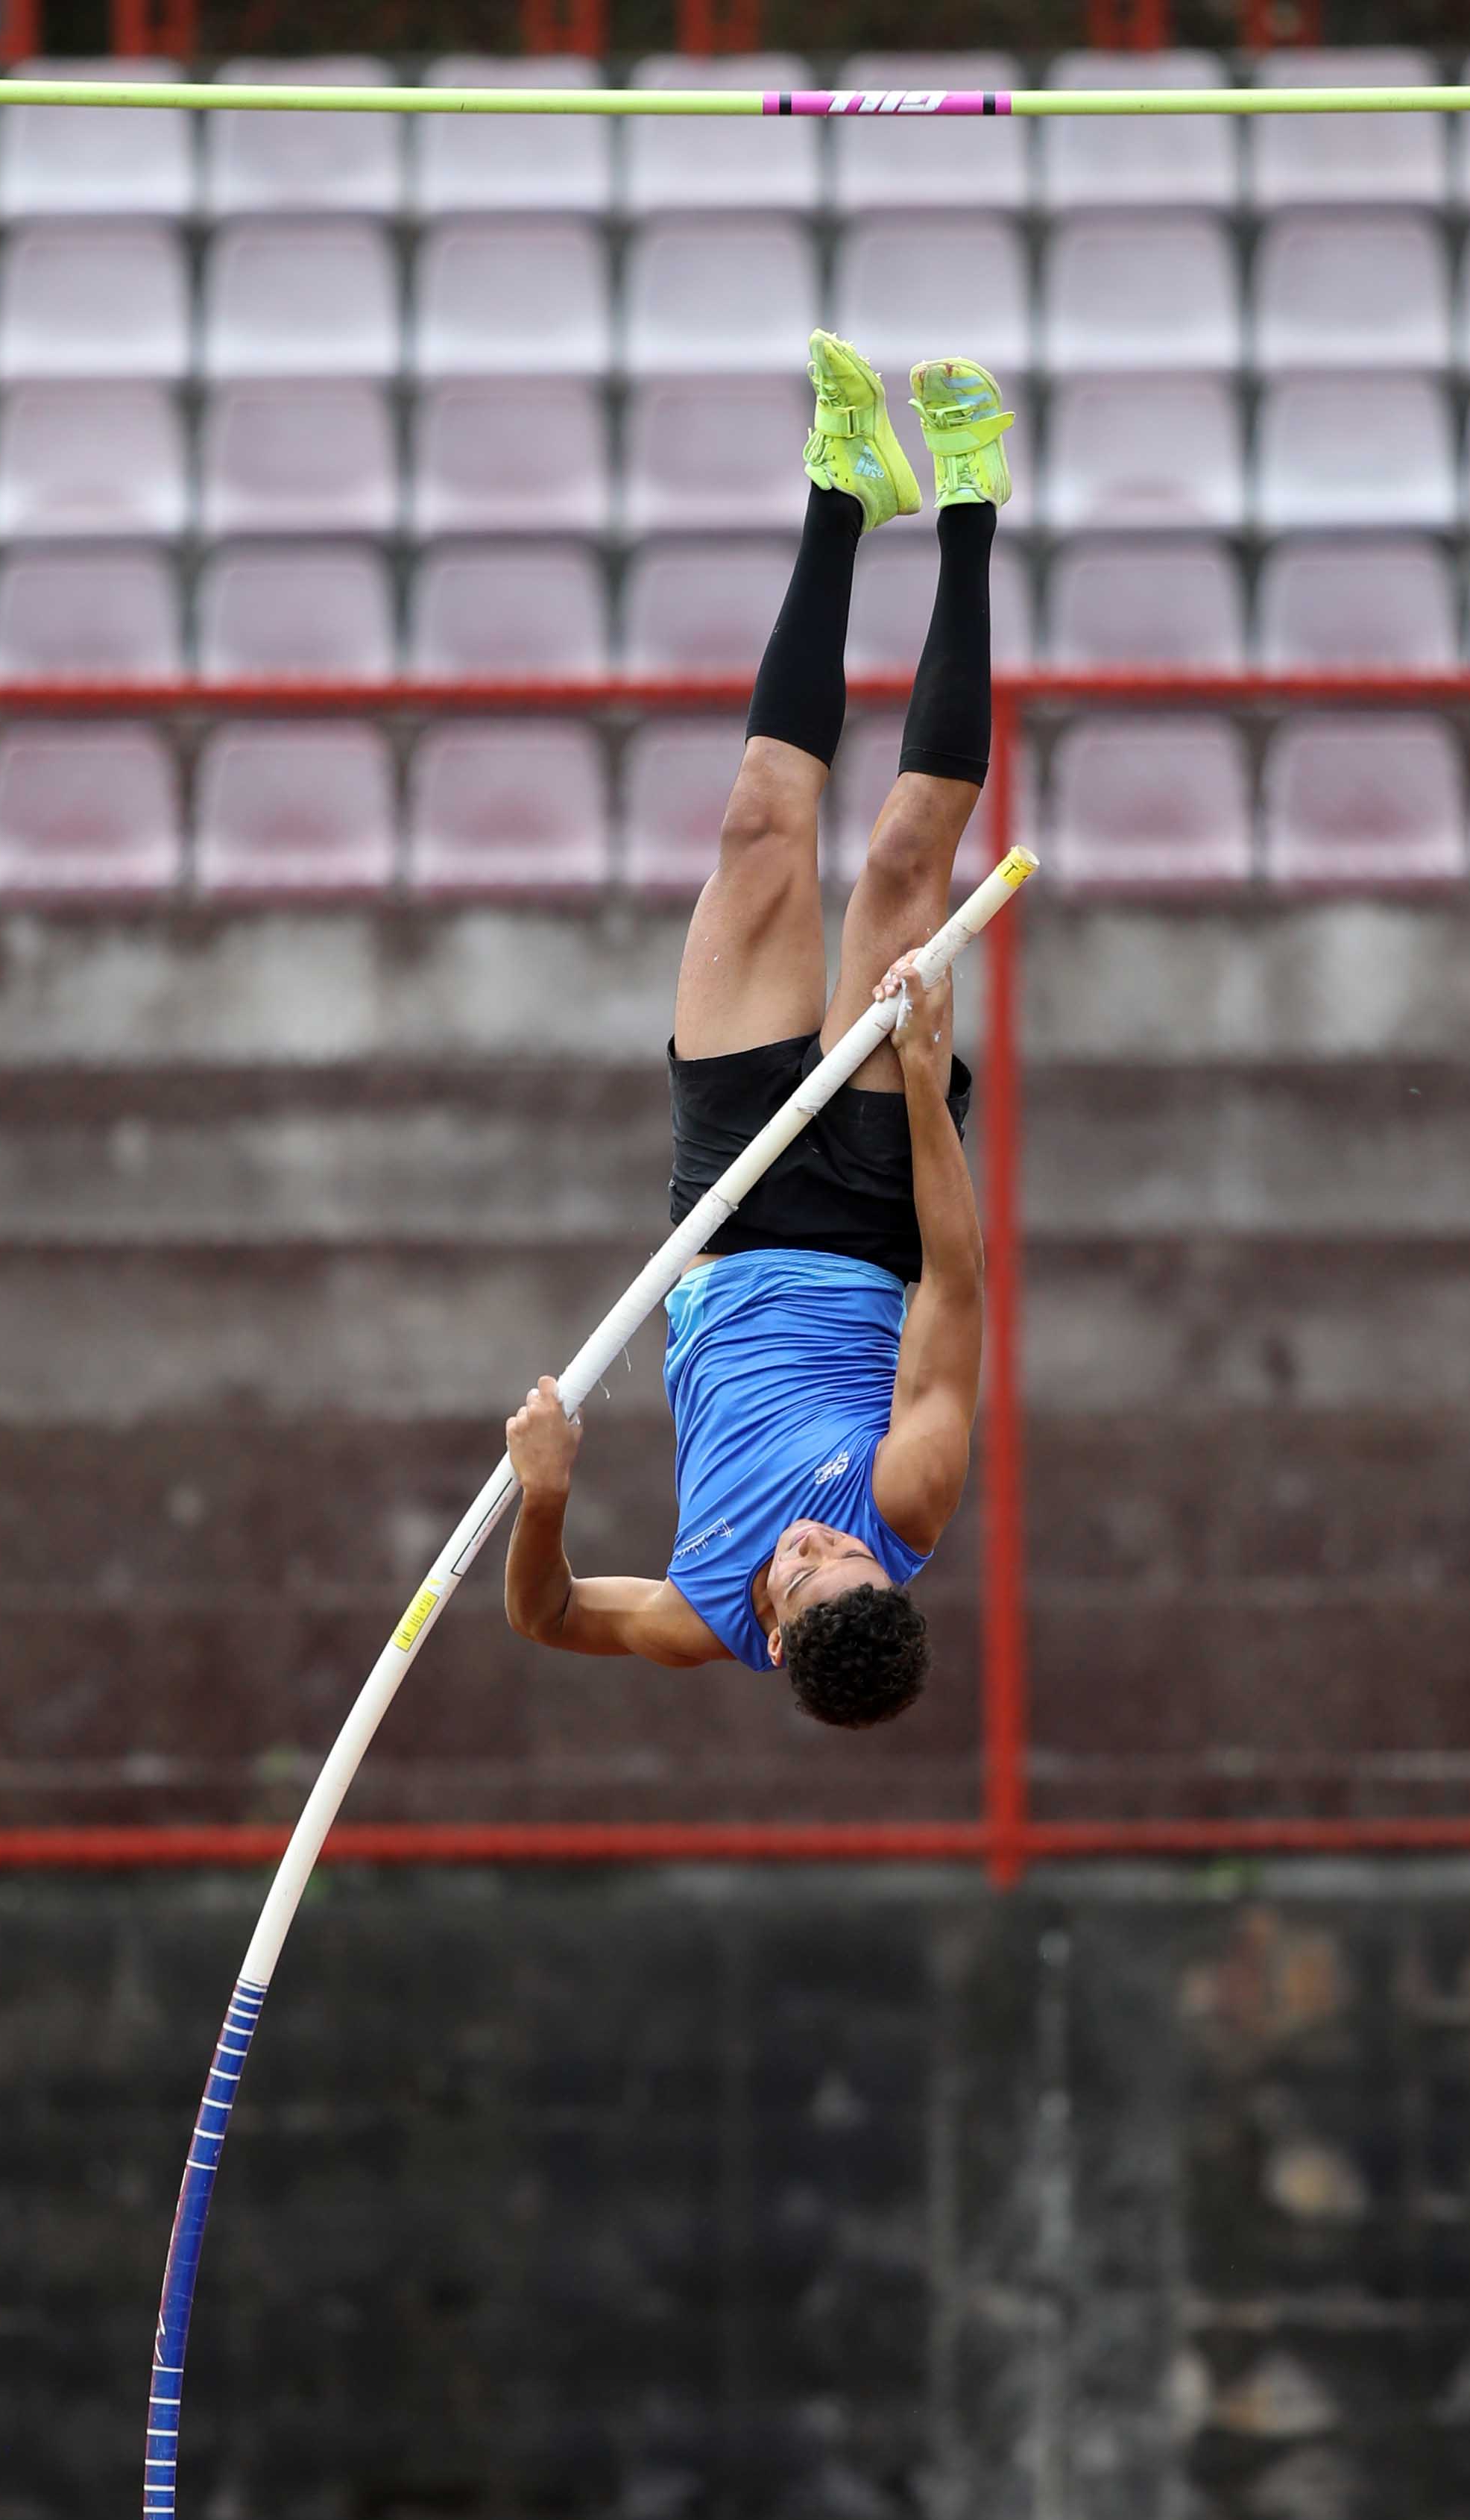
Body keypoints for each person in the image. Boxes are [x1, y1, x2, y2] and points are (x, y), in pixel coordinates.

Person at [503, 335, 1011, 1727]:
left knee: (755, 832)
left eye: (802, 1575)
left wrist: (548, 1497)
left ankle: (843, 489)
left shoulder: (697, 1612)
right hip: (860, 1215)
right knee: (906, 864)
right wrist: (918, 1081)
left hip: (716, 1226)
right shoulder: (911, 1497)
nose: (814, 1545)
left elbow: (545, 1616)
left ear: (774, 1640)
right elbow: (957, 1292)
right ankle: (970, 507)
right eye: (842, 1558)